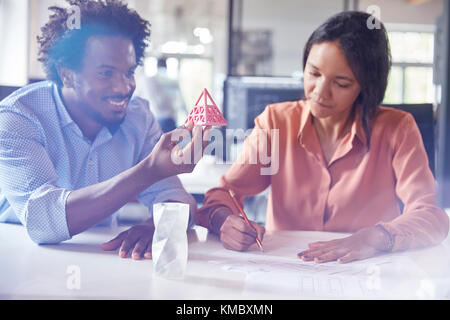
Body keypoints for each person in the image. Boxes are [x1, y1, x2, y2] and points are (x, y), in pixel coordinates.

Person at [196, 11, 449, 263]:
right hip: (288, 269)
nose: (320, 92)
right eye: (314, 73)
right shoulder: (276, 122)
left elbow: (431, 215)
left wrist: (376, 237)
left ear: (366, 86)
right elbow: (223, 195)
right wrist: (223, 221)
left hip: (366, 272)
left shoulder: (397, 129)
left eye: (341, 83)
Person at [0, 0, 210, 260]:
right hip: (21, 261)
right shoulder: (19, 117)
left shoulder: (139, 119)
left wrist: (153, 225)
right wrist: (148, 171)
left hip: (105, 262)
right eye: (106, 73)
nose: (124, 88)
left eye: (129, 72)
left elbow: (179, 201)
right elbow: (42, 222)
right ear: (66, 75)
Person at [134, 57, 188, 133]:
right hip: (170, 120)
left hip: (154, 120)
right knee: (172, 143)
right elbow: (181, 103)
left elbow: (137, 99)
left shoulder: (148, 80)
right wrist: (189, 119)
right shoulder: (172, 81)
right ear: (166, 65)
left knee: (157, 144)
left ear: (157, 65)